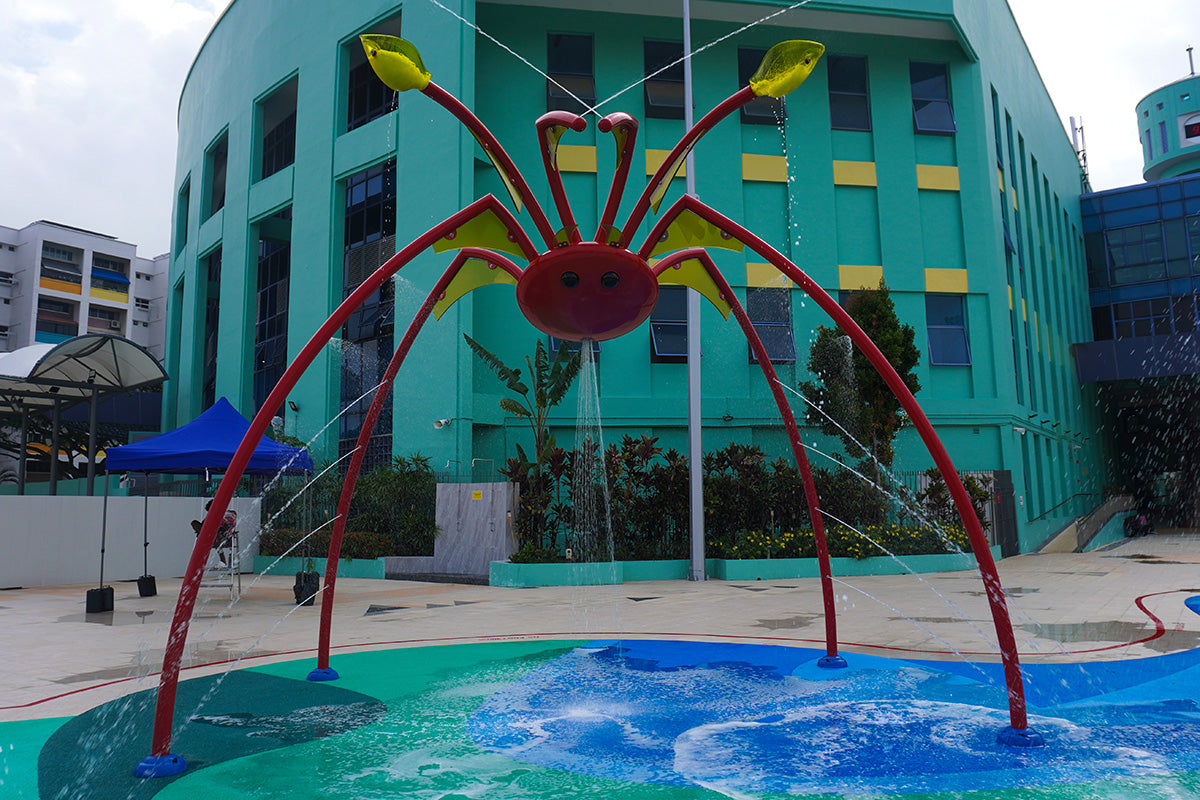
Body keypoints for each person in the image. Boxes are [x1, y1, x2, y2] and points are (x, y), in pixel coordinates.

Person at [191, 500, 238, 565]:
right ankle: (204, 536)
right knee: (194, 522)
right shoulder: (210, 517)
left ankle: (223, 561)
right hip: (211, 537)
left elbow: (227, 526)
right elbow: (204, 525)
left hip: (224, 538)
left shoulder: (228, 514)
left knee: (216, 535)